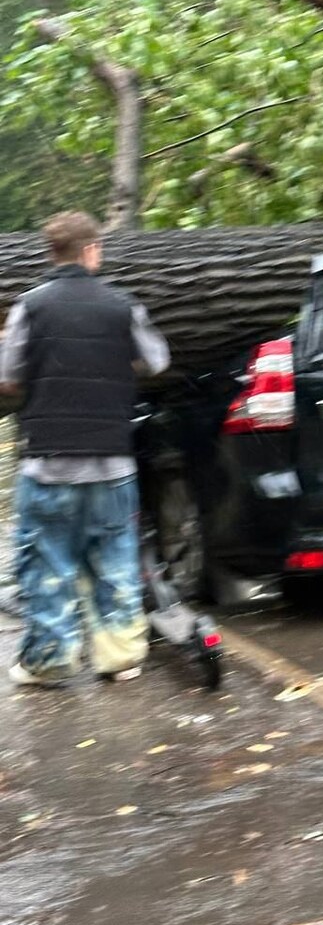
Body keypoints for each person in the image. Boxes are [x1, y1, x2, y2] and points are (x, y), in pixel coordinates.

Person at [0, 211, 170, 688]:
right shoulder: (122, 306)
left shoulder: (29, 308)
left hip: (48, 463)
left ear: (52, 253)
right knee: (115, 558)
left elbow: (7, 375)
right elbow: (157, 360)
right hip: (112, 463)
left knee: (47, 562)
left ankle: (50, 662)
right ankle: (119, 659)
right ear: (93, 250)